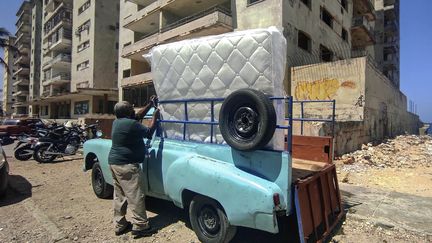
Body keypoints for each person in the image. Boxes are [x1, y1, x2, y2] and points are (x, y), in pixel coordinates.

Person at [108, 96, 160, 238]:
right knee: (135, 195)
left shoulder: (118, 122)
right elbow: (149, 132)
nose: (134, 109)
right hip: (126, 165)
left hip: (115, 163)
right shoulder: (131, 124)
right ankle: (141, 226)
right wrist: (156, 114)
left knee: (119, 195)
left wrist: (150, 104)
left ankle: (120, 224)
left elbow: (138, 115)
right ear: (127, 112)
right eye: (131, 108)